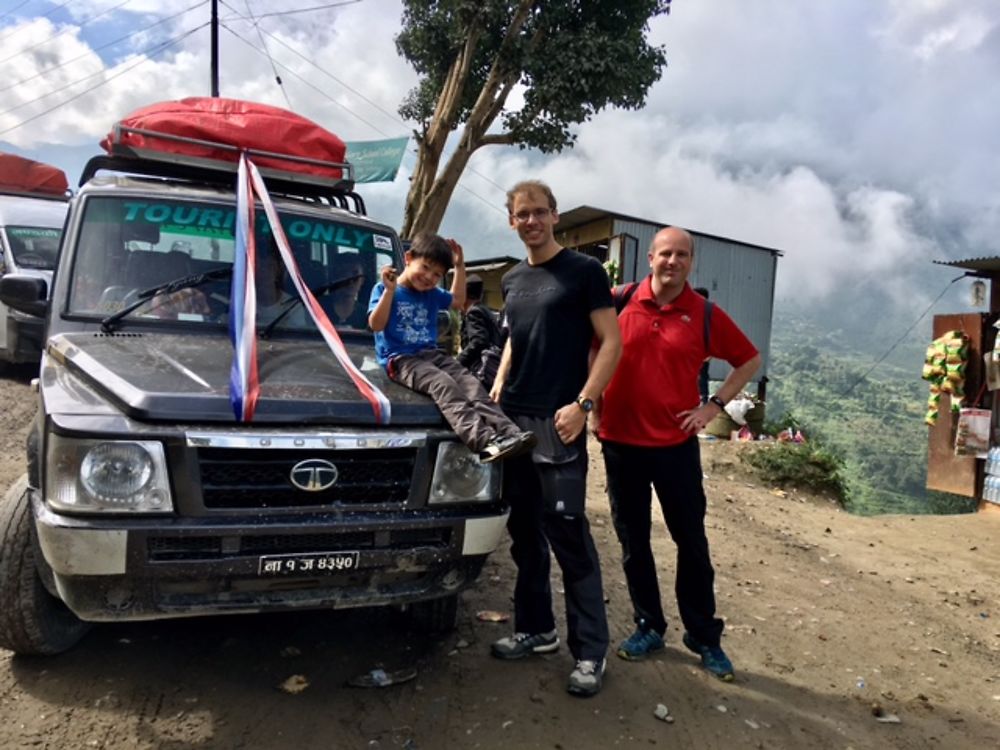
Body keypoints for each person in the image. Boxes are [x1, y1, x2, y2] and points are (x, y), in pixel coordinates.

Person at [597, 226, 761, 681]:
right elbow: (592, 349)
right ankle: (649, 625)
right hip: (620, 443)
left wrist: (714, 406)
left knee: (691, 542)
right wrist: (593, 408)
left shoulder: (704, 314)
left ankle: (703, 635)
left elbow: (749, 359)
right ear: (650, 257)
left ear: (691, 262)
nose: (673, 262)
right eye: (665, 253)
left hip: (675, 448)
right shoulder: (618, 301)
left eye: (682, 255)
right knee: (633, 542)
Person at [488, 180, 621, 697]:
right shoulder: (514, 278)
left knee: (568, 532)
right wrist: (500, 381)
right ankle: (536, 629)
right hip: (515, 421)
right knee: (525, 533)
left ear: (554, 216)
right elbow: (515, 340)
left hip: (560, 420)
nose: (532, 221)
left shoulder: (583, 272)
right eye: (522, 214)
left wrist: (584, 404)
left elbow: (612, 343)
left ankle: (590, 653)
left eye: (540, 212)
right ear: (512, 220)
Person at [368, 232, 534, 463]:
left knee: (470, 383)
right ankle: (485, 442)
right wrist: (388, 291)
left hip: (431, 354)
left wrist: (459, 265)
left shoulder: (431, 294)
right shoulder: (385, 289)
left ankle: (509, 433)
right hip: (401, 359)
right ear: (408, 258)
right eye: (425, 267)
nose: (428, 278)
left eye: (437, 275)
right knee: (443, 384)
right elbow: (375, 324)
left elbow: (457, 300)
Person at [457, 273, 504, 386]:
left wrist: (458, 361)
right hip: (492, 369)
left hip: (481, 370)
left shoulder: (474, 312)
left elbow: (479, 341)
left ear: (465, 294)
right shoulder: (486, 311)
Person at [693, 286, 711, 405]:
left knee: (702, 378)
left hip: (703, 353)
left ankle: (703, 402)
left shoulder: (708, 315)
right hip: (689, 354)